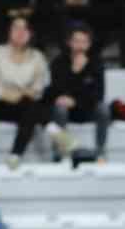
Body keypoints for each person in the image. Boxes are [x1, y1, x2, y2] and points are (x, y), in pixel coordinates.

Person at [0, 16, 50, 165]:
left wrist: (26, 93)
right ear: (8, 31)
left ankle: (15, 156)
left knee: (31, 106)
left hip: (25, 106)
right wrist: (6, 94)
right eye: (16, 28)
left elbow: (41, 84)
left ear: (30, 33)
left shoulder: (37, 56)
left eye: (25, 29)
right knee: (33, 107)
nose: (20, 32)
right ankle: (52, 129)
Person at [44, 24, 110, 160]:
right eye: (76, 41)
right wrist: (74, 72)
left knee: (103, 109)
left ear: (89, 44)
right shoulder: (59, 62)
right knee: (59, 109)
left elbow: (99, 94)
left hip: (87, 108)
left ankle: (100, 151)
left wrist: (76, 101)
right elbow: (55, 91)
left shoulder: (96, 63)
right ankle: (58, 154)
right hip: (66, 111)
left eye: (84, 42)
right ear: (69, 43)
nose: (80, 45)